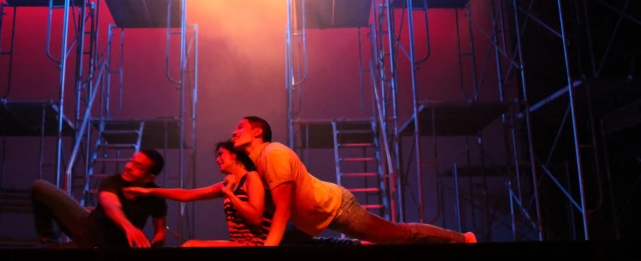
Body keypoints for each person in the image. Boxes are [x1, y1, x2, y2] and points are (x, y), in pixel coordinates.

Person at [231, 116, 478, 246]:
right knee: (284, 240)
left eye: (240, 127)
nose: (234, 131)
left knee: (399, 236)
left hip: (336, 208)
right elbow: (222, 189)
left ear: (257, 132)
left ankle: (463, 239)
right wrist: (190, 194)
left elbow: (282, 211)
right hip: (312, 219)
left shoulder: (273, 154)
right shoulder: (258, 166)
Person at [125, 140, 272, 247]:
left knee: (191, 246)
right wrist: (148, 190)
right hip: (238, 244)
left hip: (255, 245)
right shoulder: (229, 185)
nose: (217, 159)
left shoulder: (251, 177)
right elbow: (187, 195)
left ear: (235, 155)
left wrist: (230, 194)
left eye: (221, 154)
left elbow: (256, 218)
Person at [30, 149, 168, 248]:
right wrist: (128, 226)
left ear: (150, 177)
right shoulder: (114, 181)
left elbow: (160, 231)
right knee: (40, 187)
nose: (129, 167)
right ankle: (48, 239)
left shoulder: (156, 197)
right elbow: (110, 204)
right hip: (86, 224)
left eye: (139, 166)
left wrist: (156, 246)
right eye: (131, 161)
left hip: (101, 244)